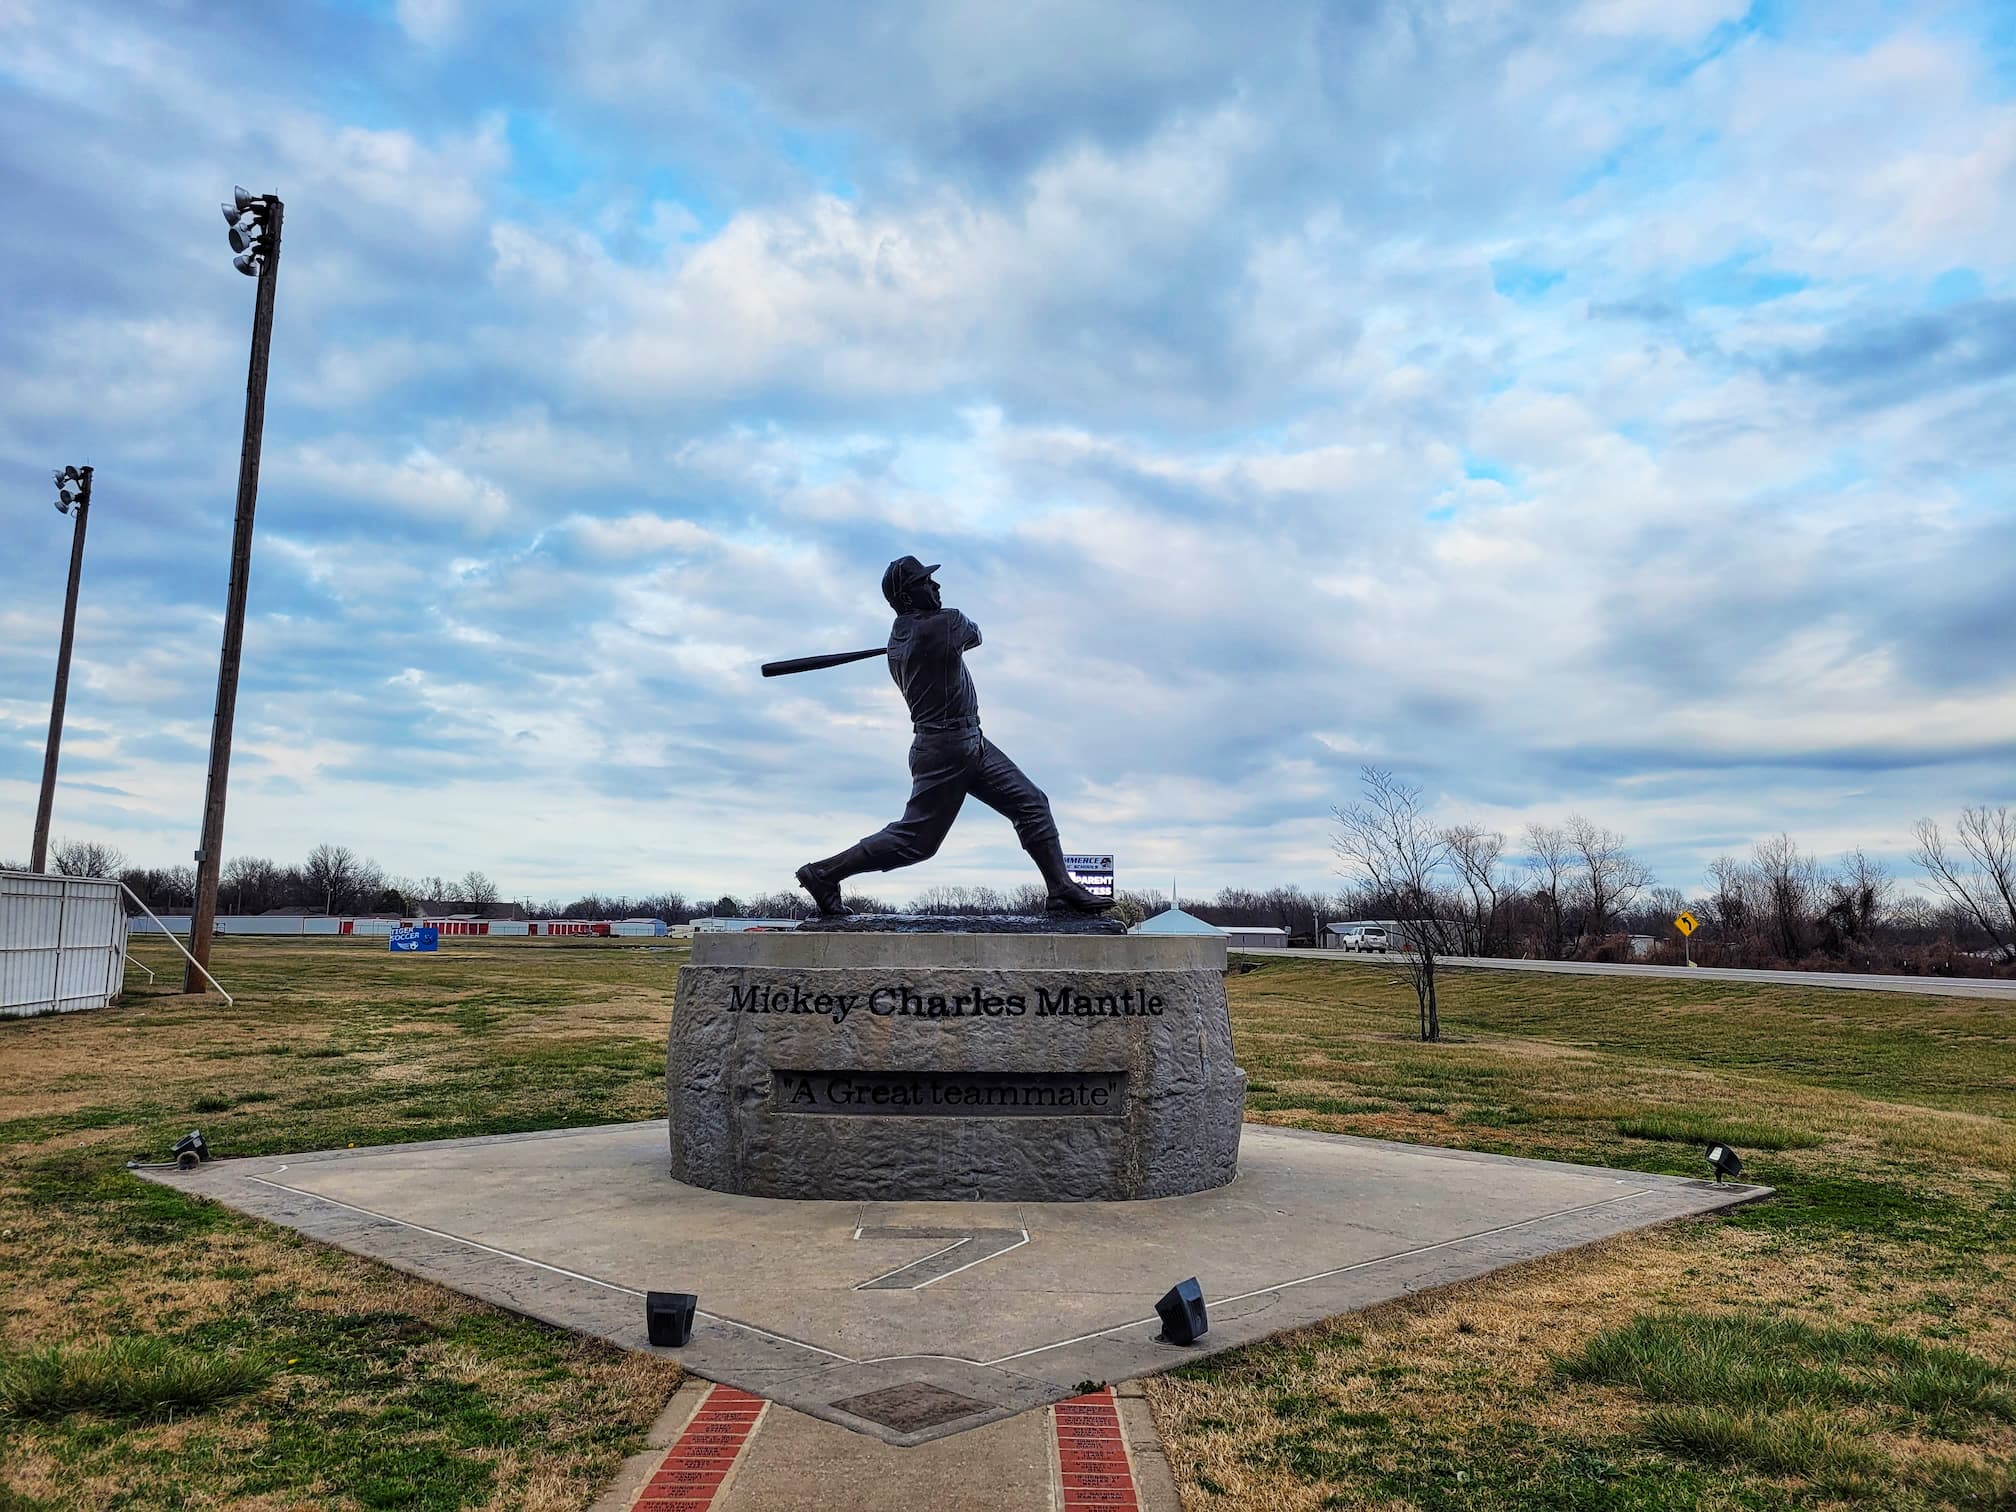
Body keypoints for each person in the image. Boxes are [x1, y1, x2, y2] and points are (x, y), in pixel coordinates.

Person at [796, 557, 1111, 917]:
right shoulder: (945, 623)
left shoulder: (900, 639)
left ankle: (1060, 889)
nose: (936, 587)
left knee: (1032, 804)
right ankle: (823, 874)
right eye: (925, 582)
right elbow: (975, 634)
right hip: (945, 749)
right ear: (907, 596)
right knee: (916, 842)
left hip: (968, 740)